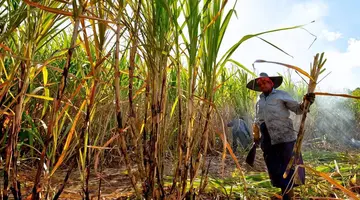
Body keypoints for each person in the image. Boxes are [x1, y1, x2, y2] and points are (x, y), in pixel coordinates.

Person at [246, 72, 315, 200]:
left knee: (289, 172)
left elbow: (299, 109)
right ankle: (286, 196)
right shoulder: (259, 101)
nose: (263, 85)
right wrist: (256, 138)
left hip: (285, 139)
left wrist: (307, 102)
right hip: (268, 142)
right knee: (276, 173)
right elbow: (258, 120)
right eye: (260, 83)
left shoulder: (281, 95)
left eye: (265, 81)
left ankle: (288, 197)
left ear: (272, 83)